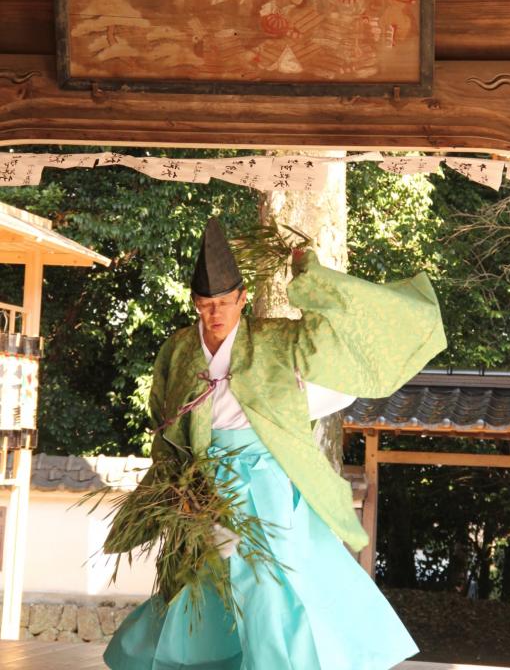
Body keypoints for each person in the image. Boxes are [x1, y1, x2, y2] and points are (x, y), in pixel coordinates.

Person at [104, 218, 446, 670]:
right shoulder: (179, 349)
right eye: (207, 304)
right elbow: (163, 420)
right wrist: (176, 489)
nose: (217, 313)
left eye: (226, 301)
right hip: (202, 482)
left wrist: (310, 276)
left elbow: (331, 336)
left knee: (271, 585)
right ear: (194, 304)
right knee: (200, 581)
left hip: (266, 479)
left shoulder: (276, 340)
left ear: (243, 299)